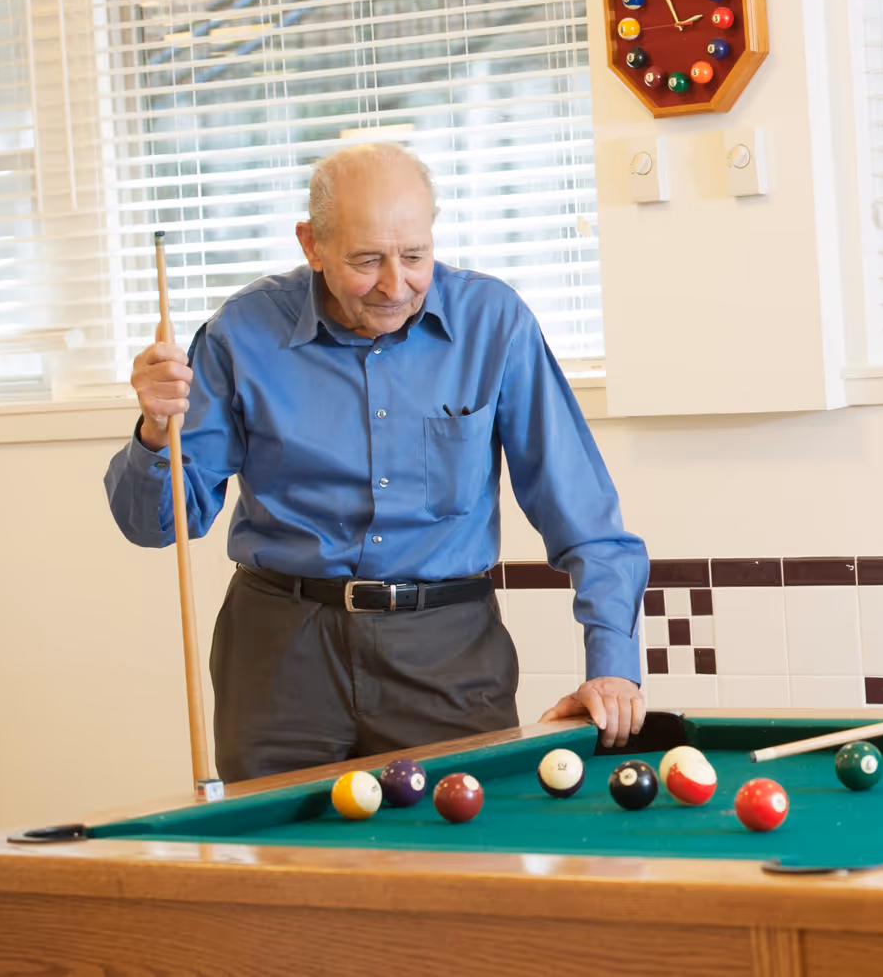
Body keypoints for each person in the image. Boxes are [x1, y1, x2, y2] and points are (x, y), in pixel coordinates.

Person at [106, 143, 647, 780]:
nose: (396, 285)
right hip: (281, 650)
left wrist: (611, 664)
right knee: (279, 871)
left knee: (456, 872)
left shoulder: (492, 323)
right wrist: (153, 429)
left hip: (446, 653)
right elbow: (157, 527)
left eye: (415, 256)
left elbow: (583, 511)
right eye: (367, 261)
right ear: (312, 245)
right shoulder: (242, 332)